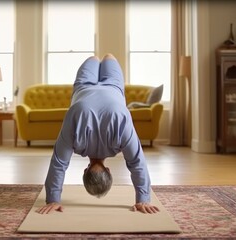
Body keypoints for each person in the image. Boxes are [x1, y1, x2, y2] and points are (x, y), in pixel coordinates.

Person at [36, 54, 159, 214]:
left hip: (114, 87)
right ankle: (97, 58)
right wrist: (53, 199)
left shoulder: (119, 134)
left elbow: (137, 163)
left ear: (108, 171)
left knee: (109, 57)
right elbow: (58, 163)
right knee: (94, 58)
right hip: (83, 88)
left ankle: (104, 58)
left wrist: (143, 199)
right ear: (85, 171)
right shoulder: (77, 138)